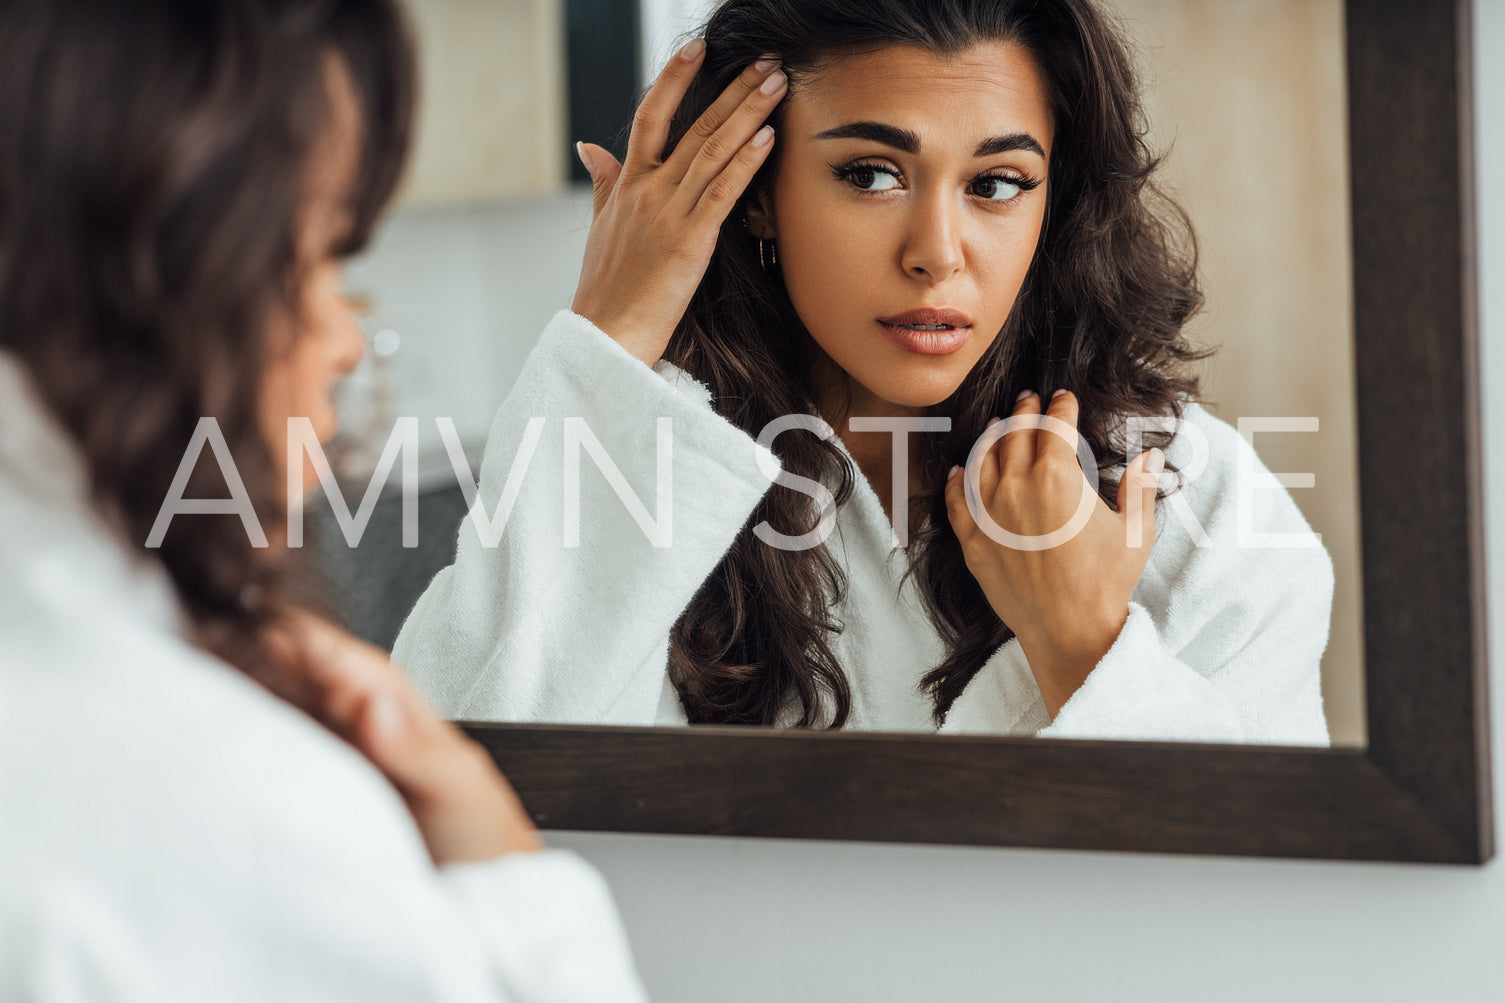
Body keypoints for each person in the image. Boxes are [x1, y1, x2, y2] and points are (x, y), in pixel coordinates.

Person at [392, 0, 1333, 744]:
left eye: (996, 184)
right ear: (757, 195)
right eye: (871, 174)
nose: (936, 253)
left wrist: (1085, 645)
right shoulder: (640, 471)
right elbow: (470, 811)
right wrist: (607, 339)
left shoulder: (1196, 500)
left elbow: (1274, 912)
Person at [0, 1, 649, 999]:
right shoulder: (240, 813)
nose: (345, 337)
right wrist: (506, 870)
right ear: (173, 264)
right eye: (327, 258)